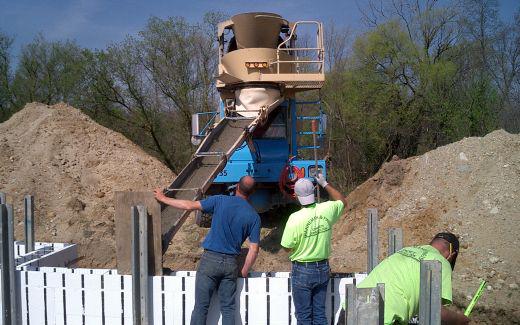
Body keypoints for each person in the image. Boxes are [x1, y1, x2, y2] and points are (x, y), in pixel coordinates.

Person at [154, 175, 261, 325]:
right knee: (228, 308)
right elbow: (254, 249)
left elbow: (189, 206)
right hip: (231, 263)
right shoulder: (254, 216)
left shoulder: (220, 200)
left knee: (201, 307)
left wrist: (163, 198)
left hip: (210, 260)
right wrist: (244, 270)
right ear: (252, 192)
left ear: (237, 186)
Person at [353, 232, 470, 325]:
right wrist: (460, 320)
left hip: (353, 308)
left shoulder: (405, 250)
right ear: (451, 255)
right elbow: (436, 312)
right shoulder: (441, 262)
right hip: (384, 318)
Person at [281, 173, 348, 325]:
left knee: (304, 316)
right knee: (319, 314)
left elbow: (286, 247)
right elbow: (342, 201)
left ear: (296, 196)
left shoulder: (295, 218)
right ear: (313, 191)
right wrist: (325, 183)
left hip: (303, 269)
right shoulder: (327, 209)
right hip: (322, 267)